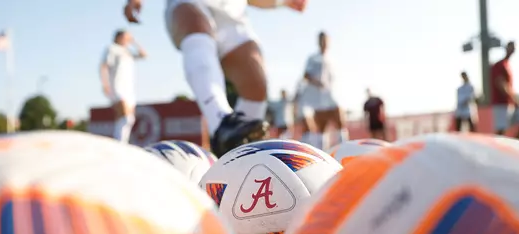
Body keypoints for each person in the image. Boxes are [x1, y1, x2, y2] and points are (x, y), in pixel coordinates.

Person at [123, 0, 307, 157]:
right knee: (196, 27)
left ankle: (242, 149)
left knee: (256, 81)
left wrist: (282, 1)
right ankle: (221, 123)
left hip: (231, 12)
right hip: (190, 3)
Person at [100, 30, 147, 143]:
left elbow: (144, 55)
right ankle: (119, 144)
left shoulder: (128, 52)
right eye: (126, 38)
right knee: (125, 118)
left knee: (129, 120)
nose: (127, 40)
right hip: (117, 87)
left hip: (129, 89)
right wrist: (105, 84)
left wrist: (134, 42)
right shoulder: (112, 49)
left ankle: (121, 142)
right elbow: (104, 66)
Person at [303, 31, 346, 151]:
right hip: (319, 99)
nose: (324, 43)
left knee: (340, 123)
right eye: (322, 40)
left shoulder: (332, 59)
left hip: (332, 96)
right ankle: (324, 154)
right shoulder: (313, 58)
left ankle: (344, 150)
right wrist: (318, 83)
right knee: (321, 129)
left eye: (326, 40)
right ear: (318, 42)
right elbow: (306, 75)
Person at [490, 41, 519, 138]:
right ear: (506, 48)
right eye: (511, 47)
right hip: (501, 103)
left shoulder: (508, 65)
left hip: (512, 103)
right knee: (501, 131)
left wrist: (515, 99)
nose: (512, 50)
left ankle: (516, 144)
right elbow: (500, 83)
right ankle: (495, 151)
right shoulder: (499, 65)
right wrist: (514, 97)